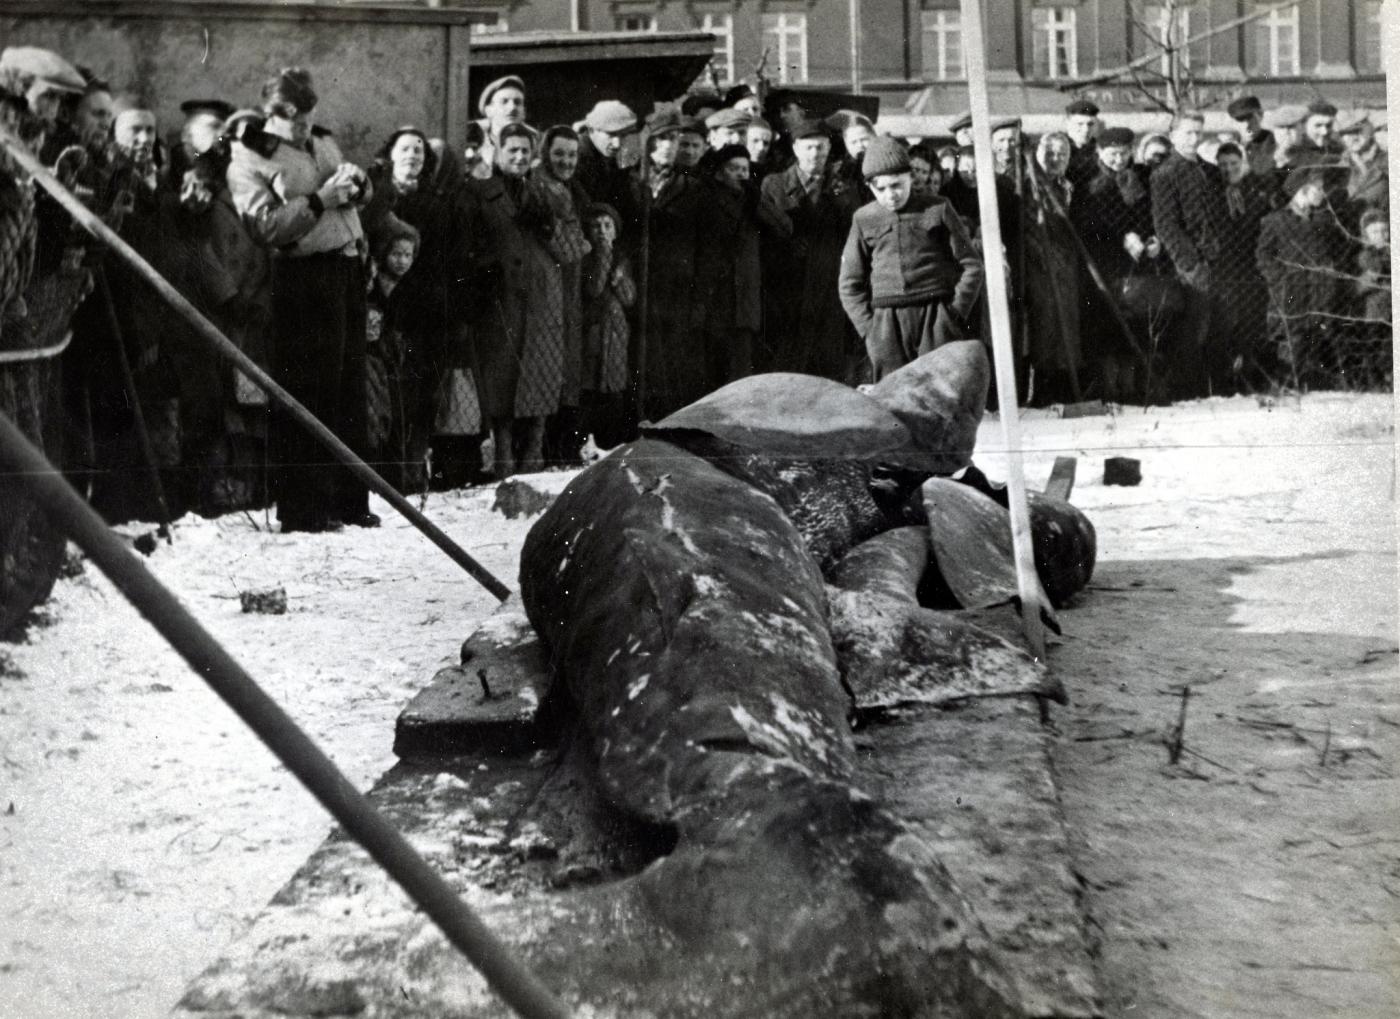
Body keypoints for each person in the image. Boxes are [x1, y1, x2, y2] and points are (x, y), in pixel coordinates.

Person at [227, 66, 376, 533]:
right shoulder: (247, 159)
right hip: (301, 281)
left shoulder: (323, 142)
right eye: (297, 122)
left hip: (347, 268)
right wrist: (320, 201)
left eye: (310, 118)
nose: (306, 128)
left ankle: (351, 502)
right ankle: (305, 509)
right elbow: (266, 228)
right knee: (309, 393)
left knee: (351, 388)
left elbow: (354, 194)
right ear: (274, 114)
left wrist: (360, 185)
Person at [838, 136, 983, 381]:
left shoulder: (938, 208)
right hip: (886, 322)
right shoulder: (864, 218)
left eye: (897, 185)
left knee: (938, 388)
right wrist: (869, 329)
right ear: (870, 187)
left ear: (910, 177)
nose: (890, 195)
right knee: (894, 397)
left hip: (934, 315)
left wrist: (954, 314)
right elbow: (849, 283)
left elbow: (972, 266)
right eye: (880, 189)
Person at [761, 119, 862, 381]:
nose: (815, 154)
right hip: (786, 289)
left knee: (828, 367)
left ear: (829, 148)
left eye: (820, 147)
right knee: (785, 367)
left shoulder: (843, 188)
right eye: (808, 148)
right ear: (795, 149)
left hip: (829, 286)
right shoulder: (775, 185)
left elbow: (851, 232)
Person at [694, 144, 792, 394]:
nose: (740, 174)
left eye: (744, 169)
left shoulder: (753, 201)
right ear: (719, 172)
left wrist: (757, 200)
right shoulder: (706, 198)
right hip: (714, 297)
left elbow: (784, 229)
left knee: (740, 372)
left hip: (744, 300)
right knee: (711, 370)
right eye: (733, 169)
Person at [1151, 111, 1227, 397]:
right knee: (1192, 328)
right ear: (1173, 137)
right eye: (1187, 133)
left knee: (1218, 325)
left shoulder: (1209, 171)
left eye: (1198, 133)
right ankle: (1187, 391)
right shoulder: (1165, 173)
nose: (1194, 139)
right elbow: (1165, 223)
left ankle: (1217, 388)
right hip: (1190, 264)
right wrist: (1190, 263)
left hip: (1217, 258)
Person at [636, 107, 705, 419]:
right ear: (651, 143)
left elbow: (706, 250)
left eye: (675, 139)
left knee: (673, 363)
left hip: (677, 290)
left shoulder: (693, 189)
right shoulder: (633, 182)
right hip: (638, 287)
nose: (670, 145)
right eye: (664, 139)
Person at [1255, 168, 1345, 389]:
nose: (1323, 193)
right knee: (1292, 340)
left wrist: (1330, 272)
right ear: (1302, 190)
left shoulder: (1323, 220)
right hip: (1291, 292)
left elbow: (1336, 251)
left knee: (1315, 338)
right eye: (1318, 188)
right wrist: (1280, 279)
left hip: (1319, 291)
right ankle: (1285, 388)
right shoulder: (1275, 220)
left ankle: (1310, 388)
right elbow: (1263, 255)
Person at [537, 124, 594, 463]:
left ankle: (563, 452)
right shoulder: (543, 189)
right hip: (551, 292)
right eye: (559, 153)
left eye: (572, 154)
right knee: (551, 371)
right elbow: (568, 247)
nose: (566, 160)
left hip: (570, 293)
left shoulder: (572, 190)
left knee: (569, 370)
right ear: (546, 153)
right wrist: (581, 244)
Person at [1212, 141, 1273, 391]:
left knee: (1252, 322)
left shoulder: (1255, 191)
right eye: (1223, 164)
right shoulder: (1213, 193)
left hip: (1251, 265)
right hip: (1225, 267)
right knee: (1226, 323)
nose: (1229, 169)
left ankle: (1251, 376)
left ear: (1243, 164)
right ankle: (1225, 379)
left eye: (1234, 164)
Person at [579, 202, 635, 446]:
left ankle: (611, 441)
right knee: (590, 386)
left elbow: (629, 298)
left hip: (616, 332)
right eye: (596, 226)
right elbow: (594, 288)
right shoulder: (587, 259)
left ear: (615, 231)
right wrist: (603, 257)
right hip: (592, 331)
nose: (602, 231)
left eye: (607, 226)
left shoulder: (622, 260)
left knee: (614, 387)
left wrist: (621, 277)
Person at [576, 99, 639, 239]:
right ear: (592, 130)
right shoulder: (577, 159)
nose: (617, 144)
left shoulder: (604, 155)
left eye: (622, 136)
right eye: (611, 135)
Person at [1352, 208, 1391, 388]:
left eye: (1385, 230)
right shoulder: (1364, 257)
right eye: (1375, 232)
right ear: (1366, 235)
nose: (1381, 236)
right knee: (1375, 347)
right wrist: (1370, 277)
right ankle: (1377, 381)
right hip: (1374, 311)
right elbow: (1356, 287)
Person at [471, 74, 529, 181]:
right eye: (504, 102)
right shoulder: (473, 143)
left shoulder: (535, 146)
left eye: (517, 102)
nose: (512, 108)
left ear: (524, 113)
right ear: (489, 110)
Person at [1337, 111, 1387, 233]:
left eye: (1358, 131)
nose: (1353, 138)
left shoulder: (1388, 160)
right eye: (1347, 133)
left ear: (1370, 131)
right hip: (1348, 233)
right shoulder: (1339, 164)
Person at [1228, 95, 1276, 179]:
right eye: (1240, 120)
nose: (1247, 125)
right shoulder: (1233, 146)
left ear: (1260, 115)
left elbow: (1262, 171)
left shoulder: (1270, 142)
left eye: (1250, 118)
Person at [1064, 98, 1100, 191]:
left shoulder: (1100, 149)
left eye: (1090, 124)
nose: (1086, 129)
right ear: (1067, 123)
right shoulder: (1056, 147)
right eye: (1080, 124)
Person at [744, 116, 775, 183]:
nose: (761, 148)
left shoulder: (773, 174)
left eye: (766, 143)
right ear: (744, 141)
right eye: (755, 141)